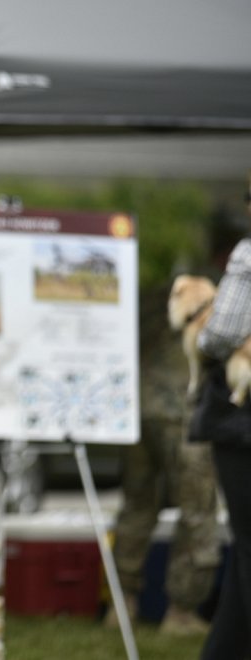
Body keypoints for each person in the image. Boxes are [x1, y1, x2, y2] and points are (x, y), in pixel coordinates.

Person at [104, 283, 218, 636]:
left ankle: (121, 604)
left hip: (140, 410)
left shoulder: (151, 297)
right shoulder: (214, 295)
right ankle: (181, 612)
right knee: (197, 509)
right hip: (184, 416)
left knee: (137, 504)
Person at [193, 191, 251, 659]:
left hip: (242, 419)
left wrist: (202, 327)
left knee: (248, 543)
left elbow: (221, 335)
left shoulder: (248, 253)